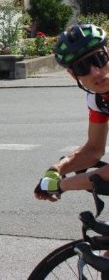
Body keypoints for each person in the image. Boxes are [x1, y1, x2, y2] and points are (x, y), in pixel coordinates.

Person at [35, 23, 109, 201]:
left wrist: (61, 185)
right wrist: (56, 170)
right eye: (82, 67)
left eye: (99, 59)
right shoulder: (97, 99)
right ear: (73, 75)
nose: (95, 72)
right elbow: (93, 150)